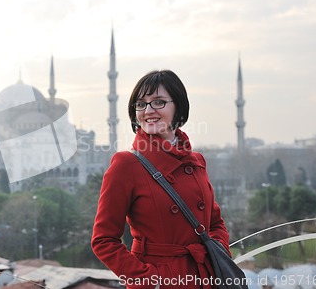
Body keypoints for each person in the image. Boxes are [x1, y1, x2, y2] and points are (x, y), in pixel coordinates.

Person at [91, 70, 230, 289]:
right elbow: (103, 240)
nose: (148, 111)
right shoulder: (126, 164)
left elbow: (214, 222)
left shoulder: (196, 161)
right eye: (141, 104)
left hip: (206, 278)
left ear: (178, 107)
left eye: (158, 102)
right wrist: (149, 280)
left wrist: (219, 255)